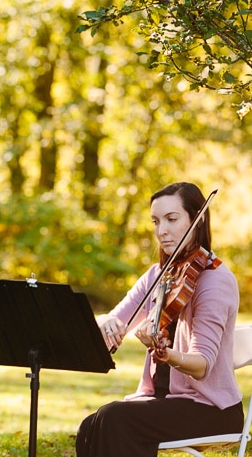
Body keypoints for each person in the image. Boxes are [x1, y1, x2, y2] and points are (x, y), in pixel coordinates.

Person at [76, 182, 243, 456]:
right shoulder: (158, 275)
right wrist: (106, 320)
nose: (161, 231)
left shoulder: (215, 280)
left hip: (211, 408)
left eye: (171, 219)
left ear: (197, 220)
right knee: (90, 426)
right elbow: (116, 319)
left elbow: (201, 365)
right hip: (163, 400)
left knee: (116, 417)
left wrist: (166, 354)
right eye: (155, 221)